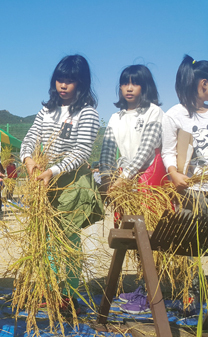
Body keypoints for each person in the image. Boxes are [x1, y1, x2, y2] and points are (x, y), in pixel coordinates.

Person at [20, 55, 103, 315]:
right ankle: (50, 290)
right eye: (60, 79)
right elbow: (31, 137)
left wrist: (53, 171)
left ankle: (69, 296)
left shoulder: (88, 112)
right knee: (45, 238)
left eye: (70, 80)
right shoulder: (47, 110)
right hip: (44, 182)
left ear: (81, 83)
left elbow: (81, 151)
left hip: (70, 183)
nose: (63, 85)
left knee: (67, 240)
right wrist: (29, 160)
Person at [98, 64, 166, 314]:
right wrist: (107, 178)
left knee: (149, 236)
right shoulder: (116, 118)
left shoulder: (154, 112)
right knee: (130, 236)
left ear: (144, 86)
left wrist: (125, 177)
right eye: (124, 83)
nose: (128, 88)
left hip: (148, 181)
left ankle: (150, 294)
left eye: (134, 83)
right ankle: (140, 287)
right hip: (123, 184)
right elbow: (107, 152)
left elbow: (147, 149)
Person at [161, 55, 208, 316]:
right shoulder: (176, 114)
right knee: (190, 245)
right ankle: (190, 296)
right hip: (191, 191)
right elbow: (168, 150)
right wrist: (173, 173)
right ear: (203, 83)